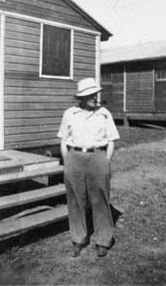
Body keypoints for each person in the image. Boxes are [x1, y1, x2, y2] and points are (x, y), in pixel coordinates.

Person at [57, 77, 120, 257]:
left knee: (100, 198)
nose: (95, 97)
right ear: (82, 97)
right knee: (76, 200)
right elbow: (63, 140)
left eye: (96, 94)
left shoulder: (104, 113)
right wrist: (67, 161)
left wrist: (106, 161)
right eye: (91, 94)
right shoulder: (70, 113)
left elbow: (111, 141)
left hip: (98, 157)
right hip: (75, 158)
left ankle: (103, 240)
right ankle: (79, 239)